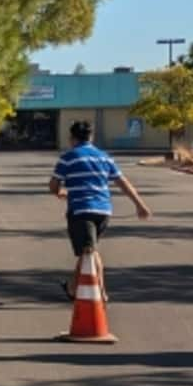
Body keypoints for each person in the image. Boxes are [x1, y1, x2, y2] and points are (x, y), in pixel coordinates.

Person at [47, 120, 152, 300]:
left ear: (71, 138)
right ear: (91, 137)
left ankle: (101, 292)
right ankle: (72, 288)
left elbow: (53, 184)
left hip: (81, 211)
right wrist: (140, 205)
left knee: (89, 251)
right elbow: (122, 182)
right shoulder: (104, 157)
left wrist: (60, 192)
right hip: (103, 211)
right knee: (87, 250)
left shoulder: (68, 157)